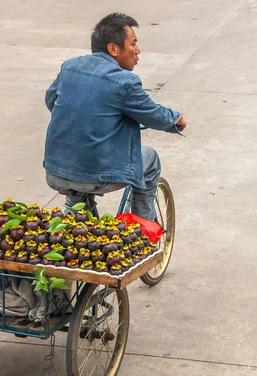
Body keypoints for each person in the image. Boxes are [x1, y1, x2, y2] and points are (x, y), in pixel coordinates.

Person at [43, 13, 187, 220]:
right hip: (98, 174)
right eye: (133, 44)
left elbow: (51, 101)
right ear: (113, 49)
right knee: (151, 159)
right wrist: (176, 120)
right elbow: (154, 115)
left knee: (77, 203)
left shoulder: (70, 66)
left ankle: (75, 218)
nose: (138, 51)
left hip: (55, 171)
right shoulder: (124, 82)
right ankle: (142, 226)